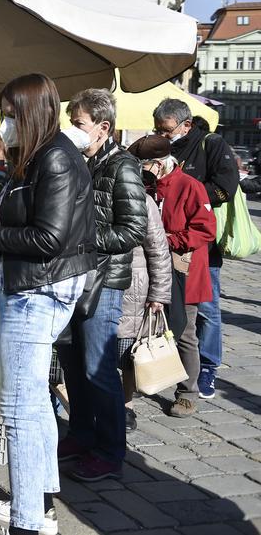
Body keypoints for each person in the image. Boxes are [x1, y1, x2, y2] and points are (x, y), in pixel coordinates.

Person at [0, 73, 96, 535]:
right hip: (39, 287)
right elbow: (26, 210)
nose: (5, 125)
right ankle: (42, 506)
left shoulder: (55, 158)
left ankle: (27, 521)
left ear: (30, 114)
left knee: (18, 409)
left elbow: (48, 236)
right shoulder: (39, 155)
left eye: (10, 116)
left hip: (37, 291)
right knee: (34, 403)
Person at [58, 88, 147, 481]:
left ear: (103, 127)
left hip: (104, 283)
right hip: (76, 277)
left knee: (99, 369)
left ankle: (110, 451)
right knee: (73, 365)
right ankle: (81, 433)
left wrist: (85, 239)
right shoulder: (84, 161)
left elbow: (134, 230)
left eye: (78, 125)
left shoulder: (123, 167)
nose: (73, 132)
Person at [153, 99, 237, 400]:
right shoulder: (161, 149)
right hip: (169, 253)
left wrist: (192, 190)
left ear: (185, 125)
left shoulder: (210, 144)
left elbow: (227, 186)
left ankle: (207, 368)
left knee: (206, 312)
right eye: (158, 130)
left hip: (199, 250)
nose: (162, 136)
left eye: (167, 130)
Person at [129, 134, 217, 417]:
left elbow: (206, 229)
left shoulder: (190, 186)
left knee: (185, 332)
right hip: (151, 268)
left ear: (160, 163)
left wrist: (168, 239)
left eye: (149, 165)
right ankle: (141, 380)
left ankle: (187, 393)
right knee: (141, 328)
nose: (145, 170)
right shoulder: (145, 187)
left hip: (184, 270)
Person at [117, 185, 171, 432]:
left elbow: (159, 250)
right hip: (99, 287)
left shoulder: (143, 199)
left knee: (129, 355)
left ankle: (126, 406)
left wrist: (159, 294)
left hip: (134, 291)